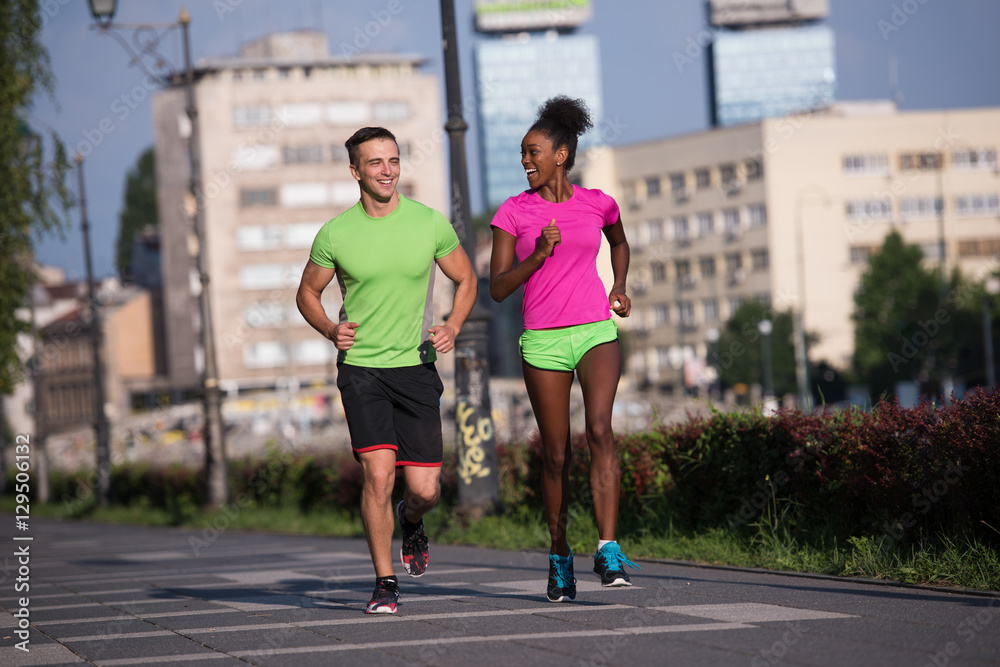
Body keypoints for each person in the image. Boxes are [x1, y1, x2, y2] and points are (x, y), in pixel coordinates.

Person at [296, 126, 477, 614]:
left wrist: (454, 325)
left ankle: (411, 520)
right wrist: (331, 332)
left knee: (424, 488)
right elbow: (306, 294)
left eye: (393, 160)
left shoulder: (428, 223)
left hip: (416, 367)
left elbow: (466, 278)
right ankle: (384, 581)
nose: (387, 170)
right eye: (375, 163)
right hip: (362, 371)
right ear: (355, 171)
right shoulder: (336, 233)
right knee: (377, 475)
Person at [488, 96, 638, 603]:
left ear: (562, 154)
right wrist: (540, 254)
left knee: (599, 428)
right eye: (522, 154)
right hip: (543, 340)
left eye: (533, 152)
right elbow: (499, 288)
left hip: (596, 329)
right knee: (555, 455)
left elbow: (618, 241)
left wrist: (619, 284)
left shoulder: (597, 202)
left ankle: (608, 546)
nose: (526, 161)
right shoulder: (513, 212)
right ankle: (559, 555)